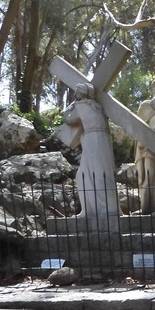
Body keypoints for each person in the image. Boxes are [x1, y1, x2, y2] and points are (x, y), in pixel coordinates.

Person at [54, 83, 119, 218]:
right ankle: (109, 208)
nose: (74, 94)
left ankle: (89, 211)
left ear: (82, 93)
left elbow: (69, 119)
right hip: (104, 140)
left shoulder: (80, 106)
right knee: (103, 172)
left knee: (85, 175)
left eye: (77, 91)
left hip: (92, 139)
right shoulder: (97, 107)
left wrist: (70, 107)